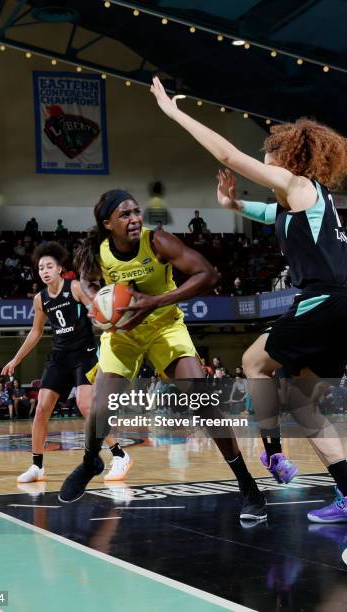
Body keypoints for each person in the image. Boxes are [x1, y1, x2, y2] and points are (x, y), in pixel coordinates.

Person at [150, 76, 347, 521]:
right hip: (339, 308)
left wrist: (174, 113)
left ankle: (273, 454)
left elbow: (227, 155)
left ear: (285, 156)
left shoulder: (298, 184)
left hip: (325, 302)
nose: (262, 158)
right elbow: (263, 213)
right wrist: (233, 205)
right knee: (302, 402)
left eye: (267, 153)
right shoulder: (308, 200)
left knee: (253, 362)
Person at [58, 189, 266, 521]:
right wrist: (98, 302)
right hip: (124, 333)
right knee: (99, 408)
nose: (135, 218)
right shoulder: (97, 252)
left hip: (163, 324)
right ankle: (89, 462)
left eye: (136, 212)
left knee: (204, 402)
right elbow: (85, 279)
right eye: (125, 215)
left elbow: (208, 275)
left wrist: (154, 302)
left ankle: (247, 485)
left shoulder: (156, 241)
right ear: (107, 223)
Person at [1, 242, 129, 483]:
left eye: (49, 266)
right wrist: (15, 359)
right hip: (59, 357)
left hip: (84, 353)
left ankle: (120, 454)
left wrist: (107, 320)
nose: (45, 271)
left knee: (86, 407)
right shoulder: (40, 299)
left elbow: (97, 311)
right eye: (41, 268)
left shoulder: (75, 287)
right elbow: (35, 332)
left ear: (60, 268)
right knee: (40, 410)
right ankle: (37, 466)